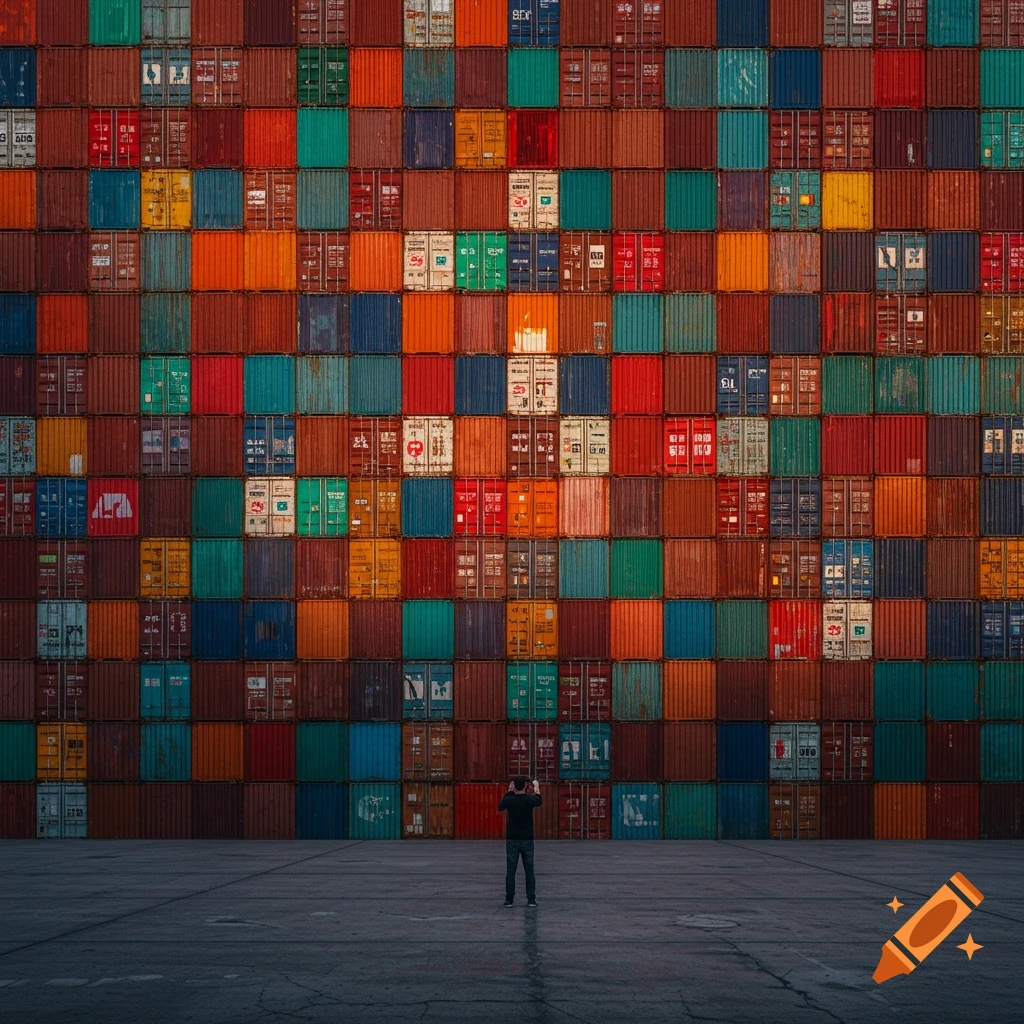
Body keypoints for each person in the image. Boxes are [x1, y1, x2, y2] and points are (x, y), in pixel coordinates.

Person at [497, 776, 541, 908]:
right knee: (529, 870)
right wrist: (536, 787)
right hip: (527, 840)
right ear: (525, 786)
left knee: (511, 870)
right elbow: (539, 800)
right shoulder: (529, 799)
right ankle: (531, 900)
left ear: (514, 786)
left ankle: (509, 900)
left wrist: (509, 790)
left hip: (512, 840)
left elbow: (500, 807)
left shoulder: (509, 799)